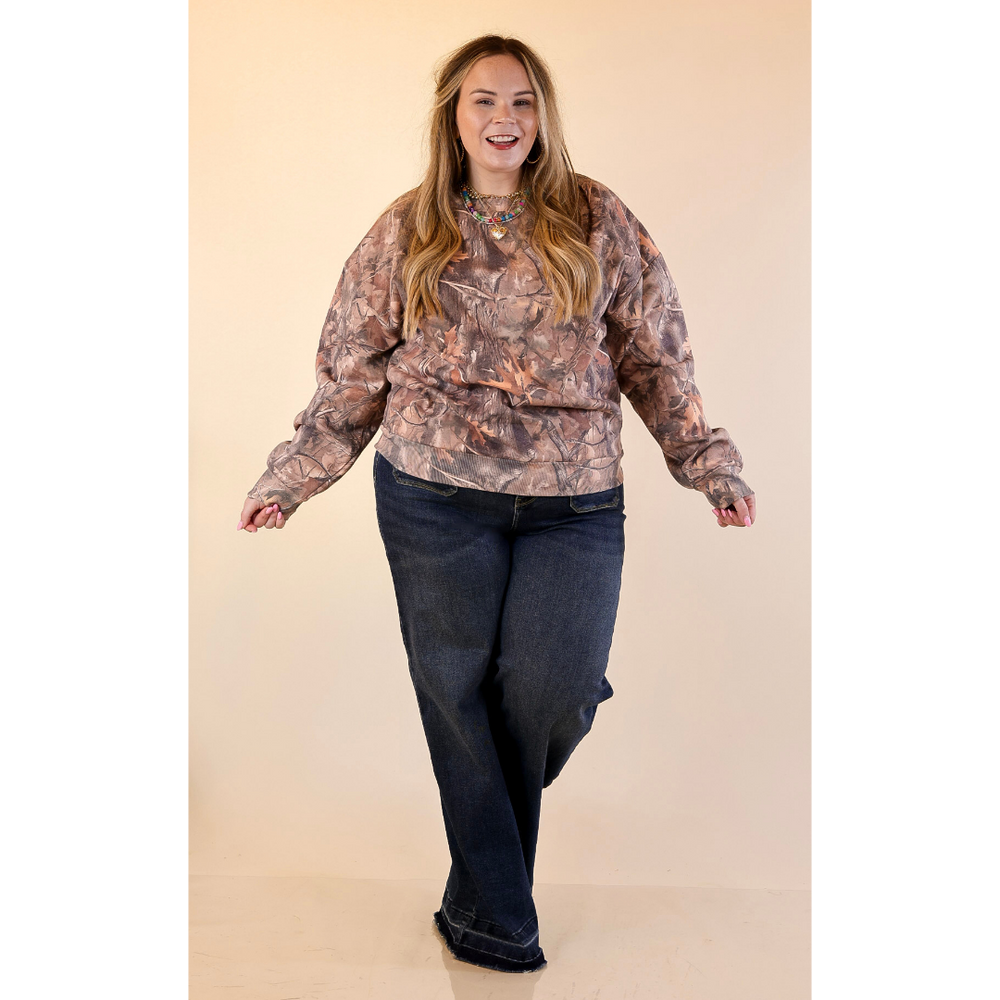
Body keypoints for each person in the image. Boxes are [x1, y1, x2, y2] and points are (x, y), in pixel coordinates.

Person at [237, 34, 755, 974]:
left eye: (521, 101)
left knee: (551, 691)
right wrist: (294, 475)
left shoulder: (596, 216)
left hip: (575, 504)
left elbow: (656, 357)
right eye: (483, 101)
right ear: (454, 114)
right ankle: (495, 922)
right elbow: (352, 369)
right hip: (432, 499)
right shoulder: (408, 228)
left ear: (542, 115)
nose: (503, 118)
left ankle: (479, 881)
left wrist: (707, 463)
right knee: (456, 696)